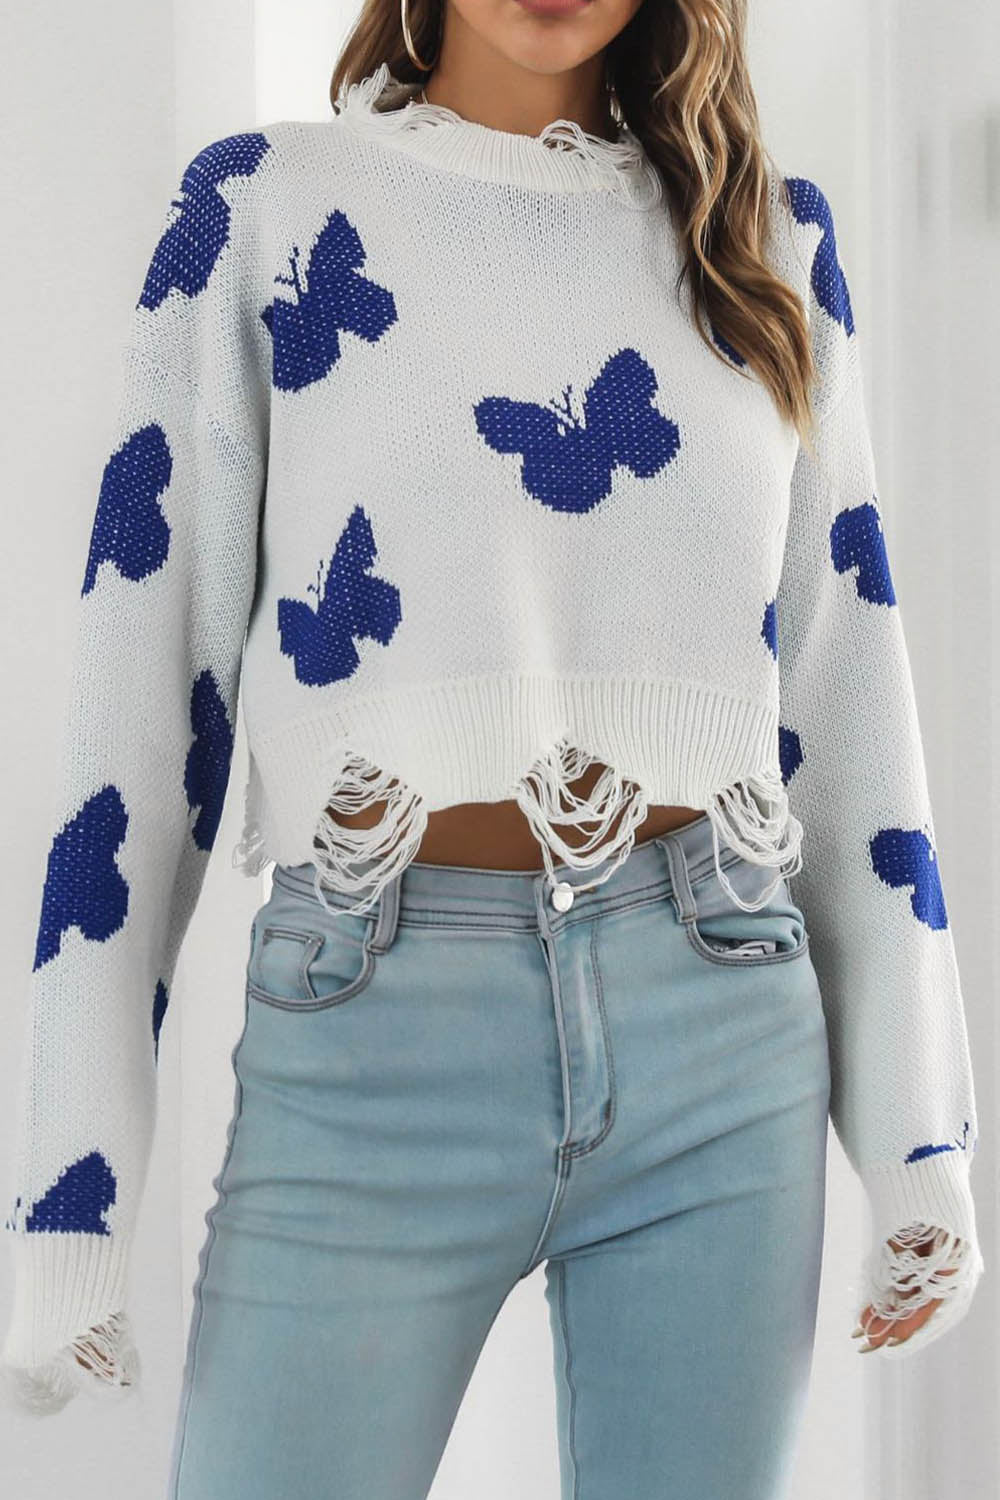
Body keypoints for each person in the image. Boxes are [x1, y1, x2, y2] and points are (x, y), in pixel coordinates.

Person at [2, 0, 984, 1493]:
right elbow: (139, 704)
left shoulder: (771, 240)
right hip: (368, 1039)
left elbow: (849, 702)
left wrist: (922, 1148)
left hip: (722, 1034)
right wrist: (69, 1195)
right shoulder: (263, 211)